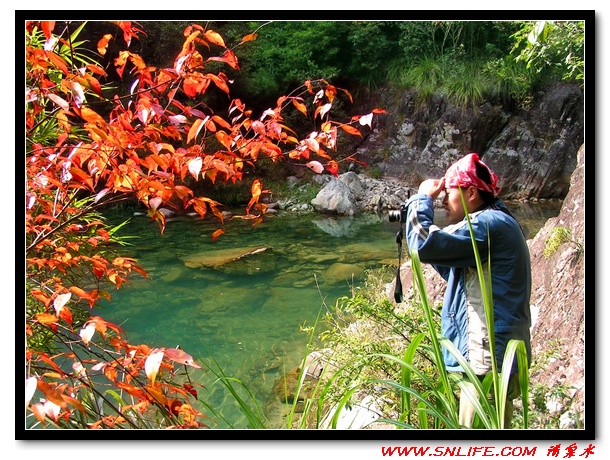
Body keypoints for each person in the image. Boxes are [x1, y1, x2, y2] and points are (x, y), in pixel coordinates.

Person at [403, 152, 531, 428]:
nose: (444, 202)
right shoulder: (497, 222)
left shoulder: (487, 225)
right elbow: (457, 273)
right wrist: (439, 249)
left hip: (487, 360)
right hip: (492, 355)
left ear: (471, 192)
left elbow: (422, 244)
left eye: (448, 193)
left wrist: (421, 199)